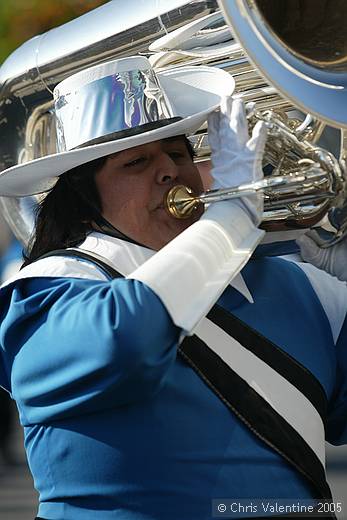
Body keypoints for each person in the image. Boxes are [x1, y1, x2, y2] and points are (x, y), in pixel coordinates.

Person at [0, 56, 346, 520]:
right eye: (138, 161)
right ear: (84, 201)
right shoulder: (45, 291)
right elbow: (127, 341)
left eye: (179, 153)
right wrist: (230, 222)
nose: (170, 172)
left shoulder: (302, 287)